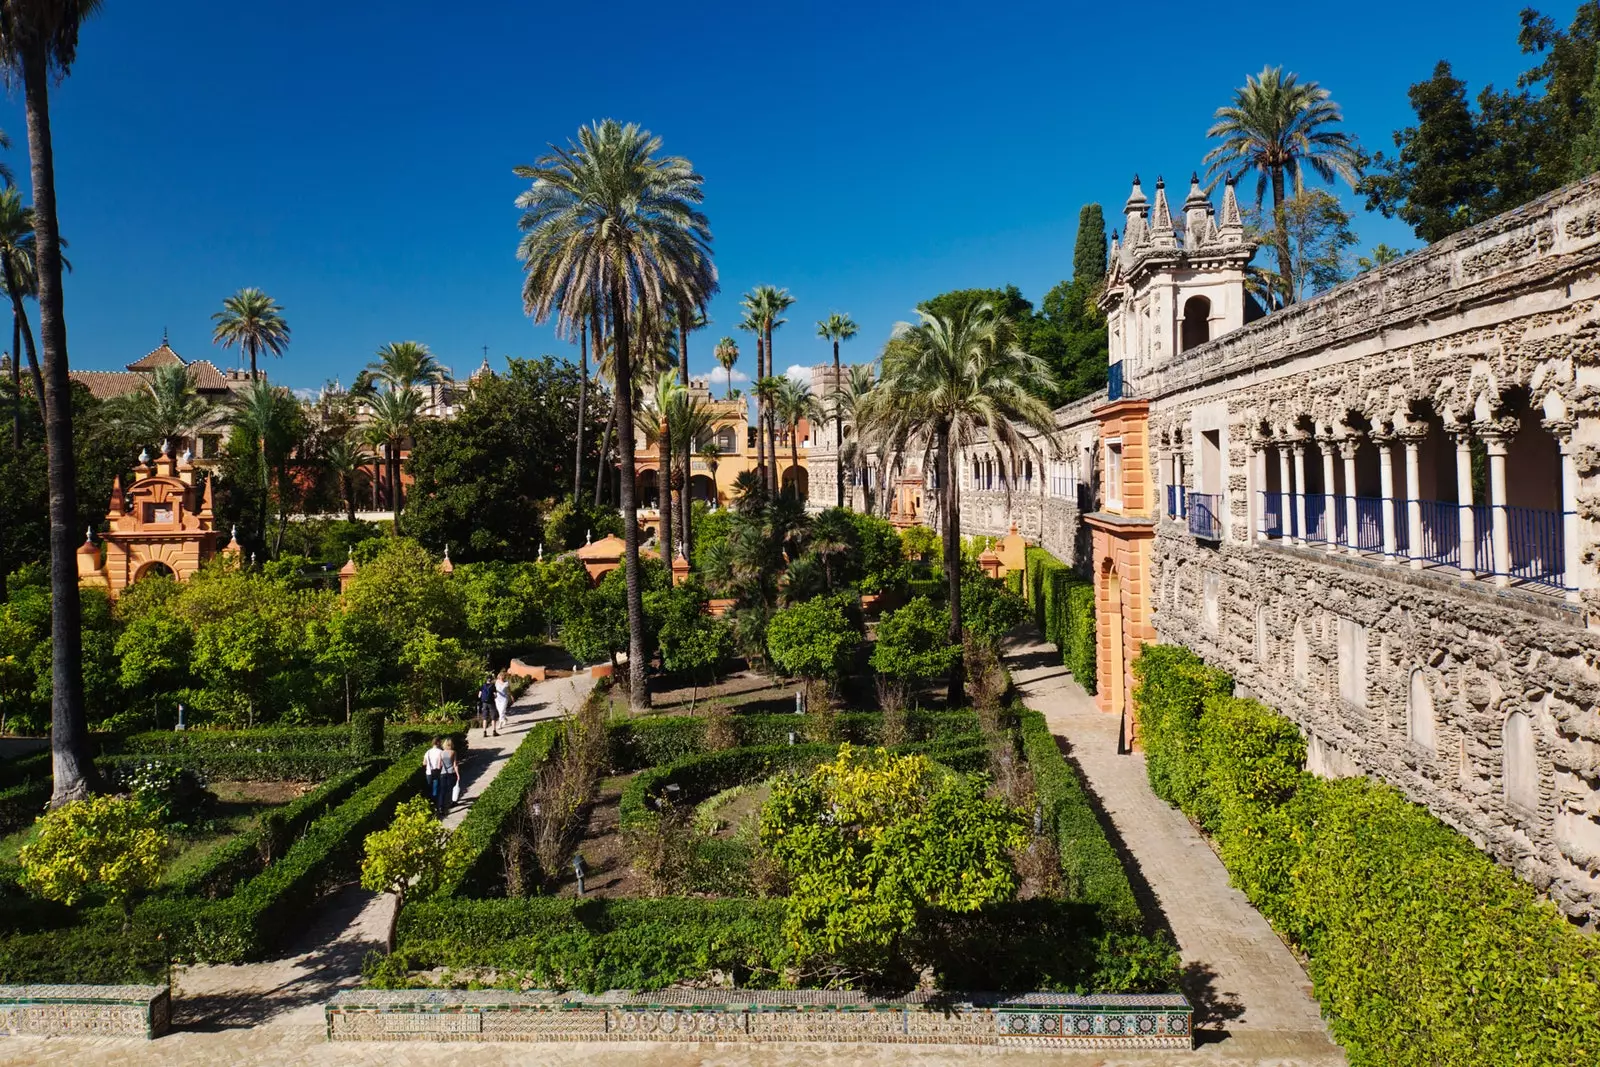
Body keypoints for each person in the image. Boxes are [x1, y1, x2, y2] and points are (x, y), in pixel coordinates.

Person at [422, 737, 445, 810]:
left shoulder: (428, 752)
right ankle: (437, 805)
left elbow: (424, 763)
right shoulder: (441, 752)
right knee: (436, 789)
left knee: (429, 788)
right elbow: (442, 764)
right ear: (438, 743)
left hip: (428, 772)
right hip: (437, 772)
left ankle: (430, 805)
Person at [439, 738, 460, 815]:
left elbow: (440, 764)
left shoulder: (441, 753)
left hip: (443, 773)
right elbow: (455, 765)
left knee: (442, 791)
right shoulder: (453, 752)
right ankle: (450, 803)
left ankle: (441, 807)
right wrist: (458, 774)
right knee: (450, 789)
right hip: (451, 773)